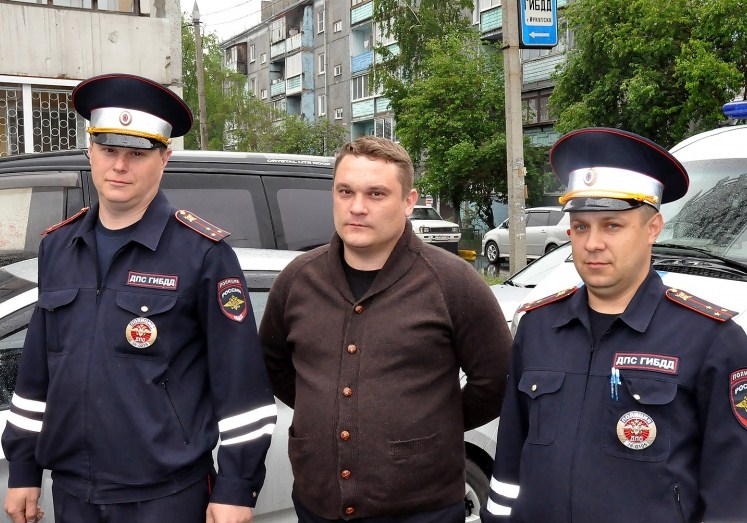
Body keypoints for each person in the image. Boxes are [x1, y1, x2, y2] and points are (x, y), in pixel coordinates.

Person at [2, 73, 277, 523]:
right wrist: (24, 467)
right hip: (73, 493)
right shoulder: (59, 247)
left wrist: (236, 488)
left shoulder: (202, 254)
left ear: (164, 158)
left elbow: (242, 385)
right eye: (108, 149)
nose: (119, 166)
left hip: (166, 496)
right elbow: (36, 374)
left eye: (137, 153)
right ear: (90, 151)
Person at [481, 127, 747, 523]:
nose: (592, 243)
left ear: (653, 228)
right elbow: (508, 468)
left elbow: (732, 495)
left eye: (612, 225)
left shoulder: (712, 340)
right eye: (581, 227)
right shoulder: (537, 327)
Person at [259, 136, 512, 522]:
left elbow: (497, 380)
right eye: (346, 191)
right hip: (318, 504)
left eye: (376, 194)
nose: (357, 207)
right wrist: (325, 411)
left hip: (422, 509)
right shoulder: (297, 280)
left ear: (409, 202)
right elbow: (274, 367)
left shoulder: (451, 282)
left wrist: (431, 423)